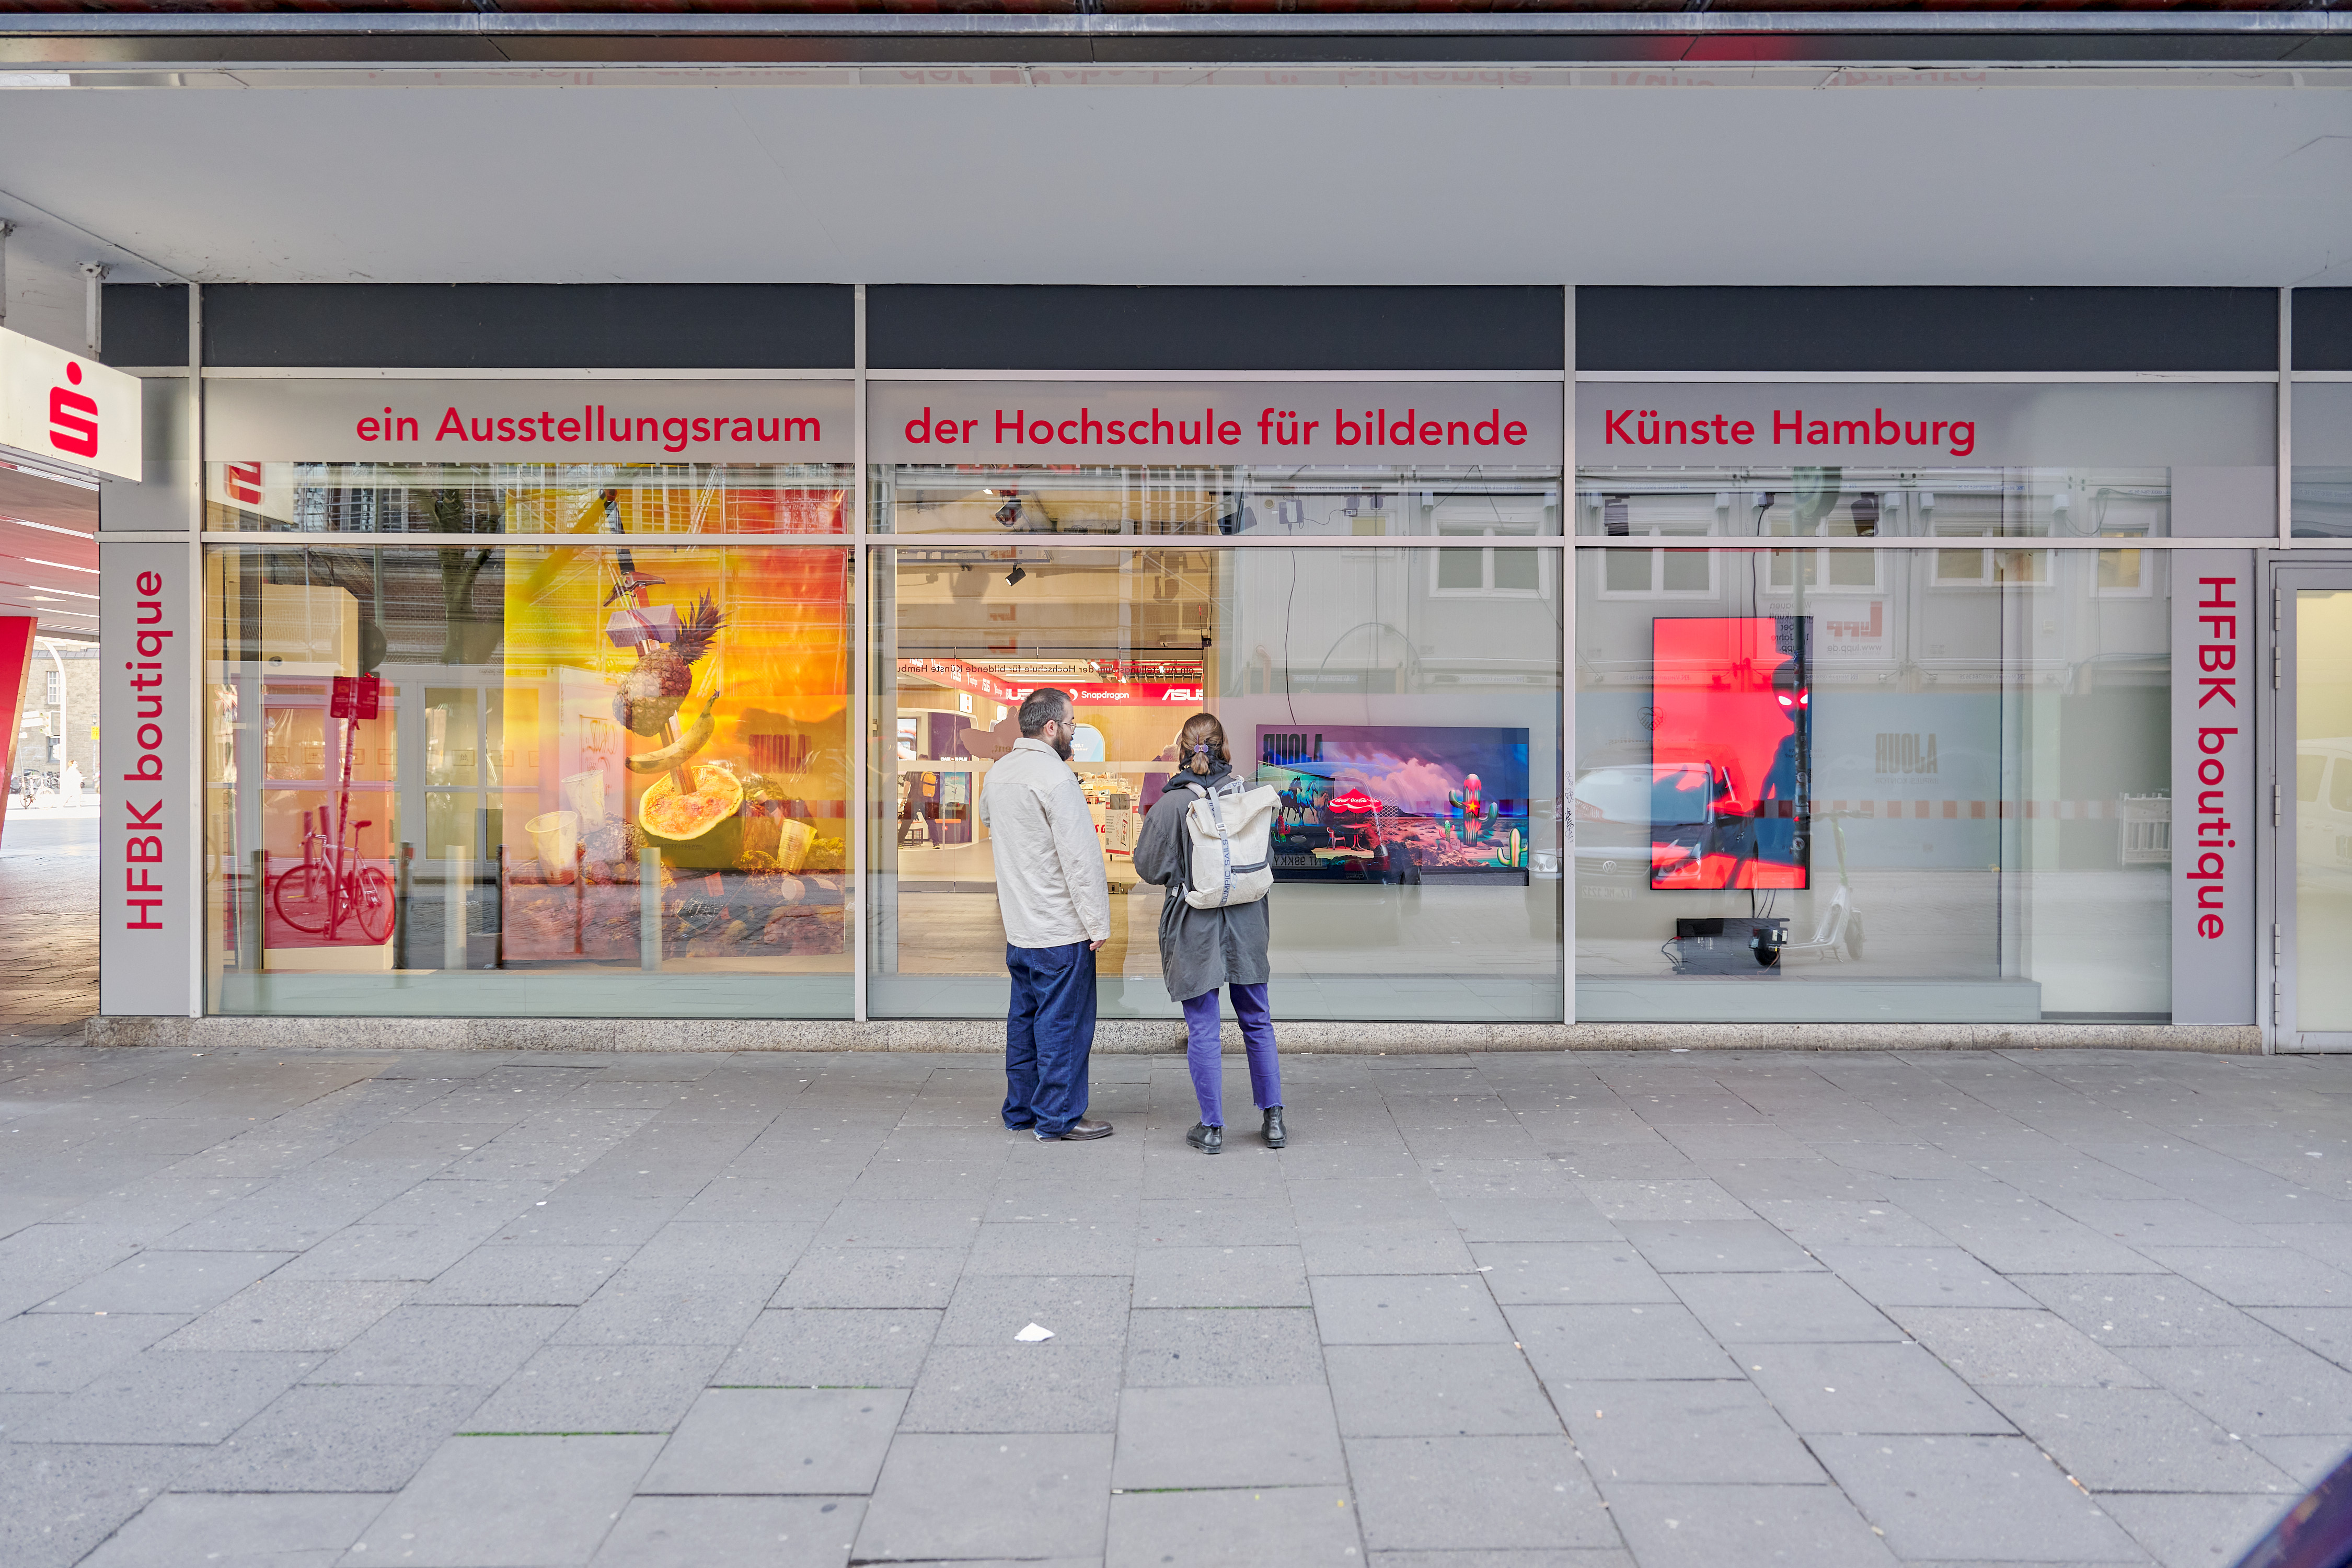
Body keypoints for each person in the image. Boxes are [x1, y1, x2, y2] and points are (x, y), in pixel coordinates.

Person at [1131, 711, 1284, 1155]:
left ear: (1182, 751)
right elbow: (1263, 857)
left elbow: (1148, 868)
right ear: (1225, 750)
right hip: (1248, 921)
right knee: (1257, 1017)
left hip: (1194, 923)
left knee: (1204, 1026)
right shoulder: (1252, 795)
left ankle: (1212, 1127)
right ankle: (1273, 1119)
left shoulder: (1171, 806)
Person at [976, 686, 1113, 1143]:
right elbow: (1081, 859)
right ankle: (1058, 1117)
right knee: (1064, 1026)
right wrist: (1098, 923)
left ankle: (1021, 1109)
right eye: (1072, 725)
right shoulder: (1055, 777)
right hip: (1060, 928)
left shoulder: (998, 775)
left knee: (1025, 1022)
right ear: (1051, 727)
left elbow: (991, 823)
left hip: (1020, 927)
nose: (1073, 733)